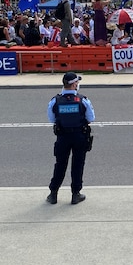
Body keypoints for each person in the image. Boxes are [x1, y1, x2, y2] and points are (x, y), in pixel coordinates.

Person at [46, 72, 95, 205]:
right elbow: (91, 118)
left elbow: (52, 119)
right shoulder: (83, 100)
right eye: (77, 83)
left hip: (62, 137)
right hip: (79, 136)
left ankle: (53, 193)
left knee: (60, 164)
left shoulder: (55, 100)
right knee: (77, 165)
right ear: (73, 84)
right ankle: (75, 194)